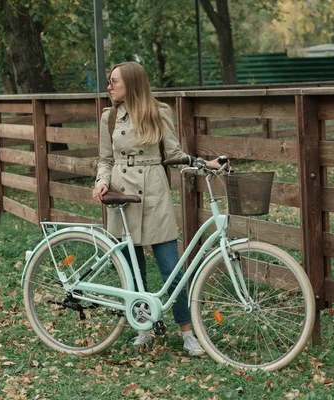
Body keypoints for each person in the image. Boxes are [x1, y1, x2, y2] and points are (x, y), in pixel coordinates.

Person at [92, 62, 219, 357]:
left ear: (132, 85)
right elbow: (105, 159)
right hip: (122, 195)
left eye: (114, 82)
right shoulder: (109, 117)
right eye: (109, 82)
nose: (108, 87)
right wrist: (101, 181)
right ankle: (144, 327)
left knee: (171, 268)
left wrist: (203, 163)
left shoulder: (160, 113)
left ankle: (187, 332)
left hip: (155, 193)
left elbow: (173, 154)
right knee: (132, 268)